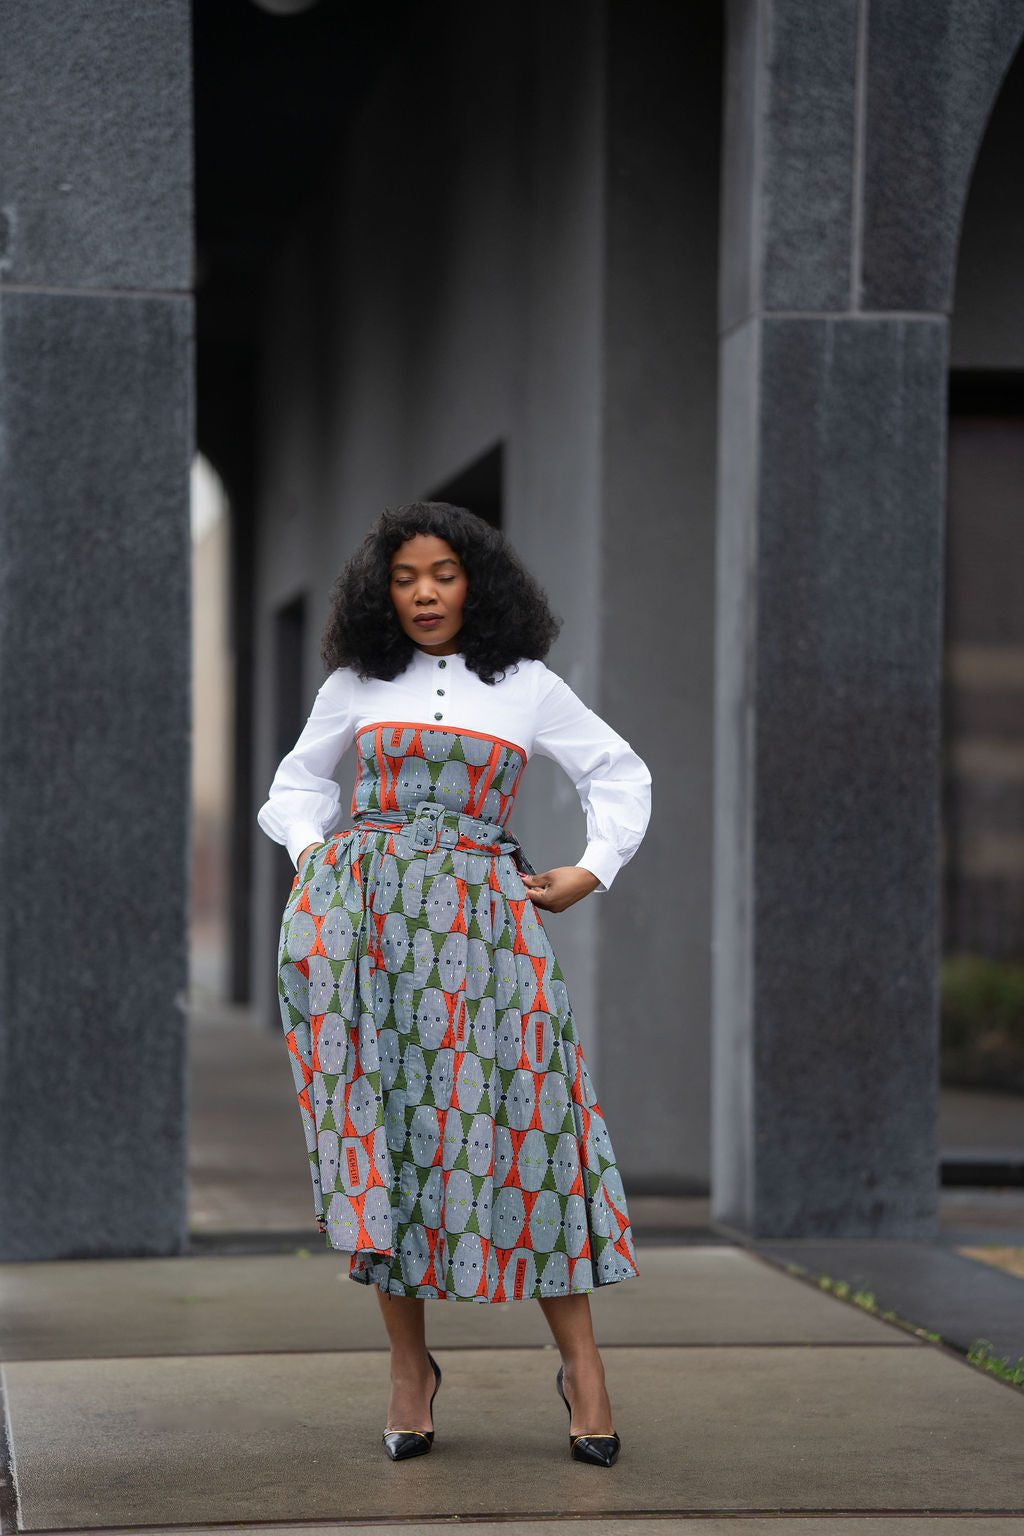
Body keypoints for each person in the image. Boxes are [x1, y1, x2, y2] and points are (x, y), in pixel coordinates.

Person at [258, 501, 651, 1465]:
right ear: (381, 592)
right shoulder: (356, 683)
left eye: (441, 573)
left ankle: (584, 1370)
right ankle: (409, 1369)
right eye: (403, 578)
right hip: (372, 937)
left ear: (476, 580)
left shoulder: (524, 685)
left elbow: (620, 772)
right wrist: (320, 862)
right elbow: (295, 788)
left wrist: (591, 867)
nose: (424, 593)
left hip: (491, 937)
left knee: (534, 1127)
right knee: (390, 1136)